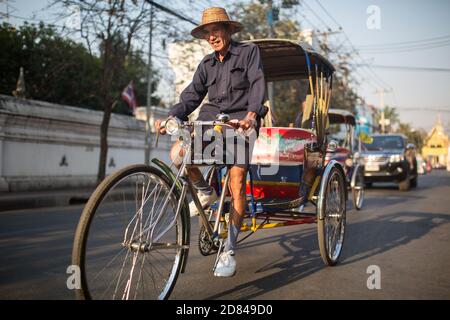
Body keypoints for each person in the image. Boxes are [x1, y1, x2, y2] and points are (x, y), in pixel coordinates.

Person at [155, 7, 266, 277]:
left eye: (216, 30)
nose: (212, 36)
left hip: (241, 123)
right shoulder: (206, 64)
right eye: (208, 32)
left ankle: (228, 248)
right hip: (211, 122)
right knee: (179, 154)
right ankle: (206, 192)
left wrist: (252, 115)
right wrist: (170, 116)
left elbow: (258, 83)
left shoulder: (248, 52)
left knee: (237, 181)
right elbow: (191, 97)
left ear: (228, 30)